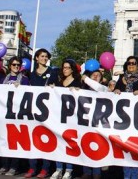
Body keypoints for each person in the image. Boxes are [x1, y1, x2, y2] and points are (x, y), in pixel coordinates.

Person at [114, 56, 138, 179]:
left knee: (135, 150)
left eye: (134, 63)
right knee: (125, 150)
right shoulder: (121, 79)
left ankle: (135, 176)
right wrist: (115, 91)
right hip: (123, 119)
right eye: (129, 63)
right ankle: (126, 176)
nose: (131, 65)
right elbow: (115, 94)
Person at [26, 48, 58, 178]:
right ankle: (32, 167)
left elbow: (58, 87)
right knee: (33, 140)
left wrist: (54, 87)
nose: (44, 58)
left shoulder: (52, 72)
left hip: (47, 112)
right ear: (37, 58)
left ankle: (45, 168)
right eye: (42, 56)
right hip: (33, 111)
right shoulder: (31, 74)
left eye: (46, 57)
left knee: (46, 140)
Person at [50, 59, 82, 179]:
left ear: (72, 69)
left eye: (67, 67)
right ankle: (58, 169)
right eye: (63, 67)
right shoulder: (59, 82)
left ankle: (69, 169)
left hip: (71, 119)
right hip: (59, 117)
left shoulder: (78, 83)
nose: (65, 70)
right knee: (59, 143)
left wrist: (79, 92)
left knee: (70, 144)